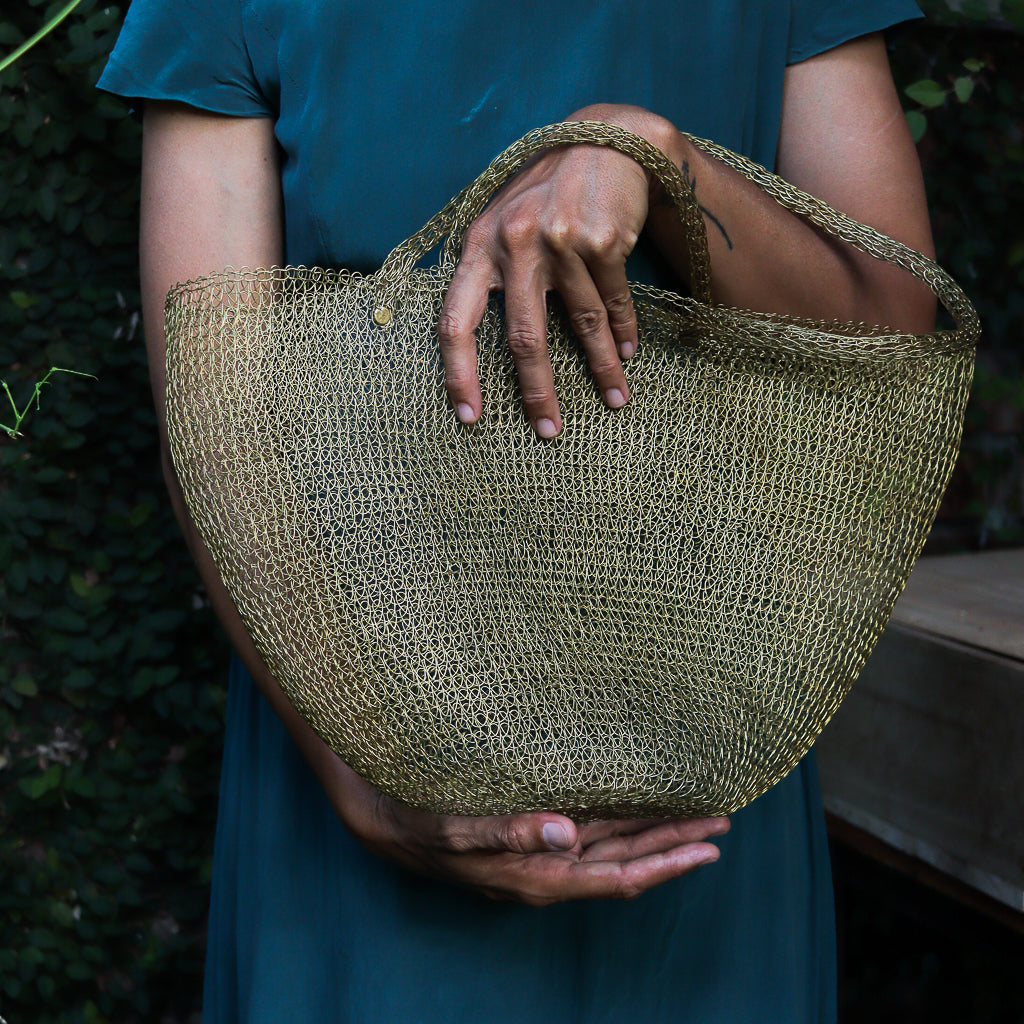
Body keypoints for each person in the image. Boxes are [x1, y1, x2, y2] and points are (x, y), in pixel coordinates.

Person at [99, 1, 934, 1020]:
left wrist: (655, 160)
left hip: (696, 744)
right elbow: (218, 417)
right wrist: (358, 781)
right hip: (355, 719)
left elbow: (892, 329)